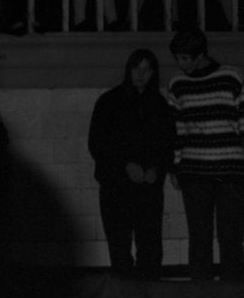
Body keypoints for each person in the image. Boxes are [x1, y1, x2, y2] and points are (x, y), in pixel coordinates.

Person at [88, 49, 176, 278]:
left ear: (153, 72)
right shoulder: (109, 102)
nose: (140, 74)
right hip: (116, 188)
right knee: (120, 249)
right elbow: (98, 144)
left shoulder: (159, 105)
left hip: (147, 188)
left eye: (146, 69)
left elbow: (168, 143)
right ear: (129, 70)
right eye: (136, 68)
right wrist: (125, 166)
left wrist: (156, 169)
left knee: (150, 250)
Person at [167, 28, 244, 281]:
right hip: (195, 170)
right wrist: (176, 166)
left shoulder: (231, 77)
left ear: (201, 56)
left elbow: (242, 121)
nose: (181, 64)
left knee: (230, 235)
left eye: (186, 58)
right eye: (178, 58)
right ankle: (200, 294)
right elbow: (176, 129)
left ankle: (233, 294)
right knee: (199, 236)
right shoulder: (177, 84)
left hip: (230, 170)